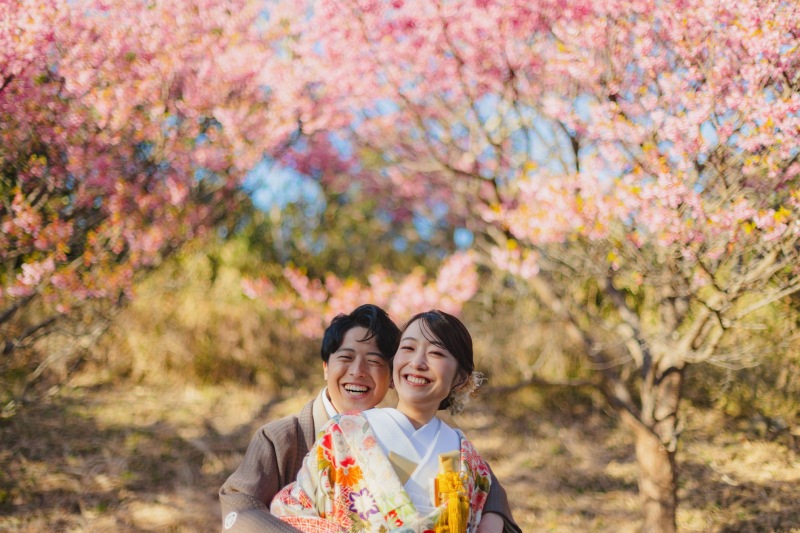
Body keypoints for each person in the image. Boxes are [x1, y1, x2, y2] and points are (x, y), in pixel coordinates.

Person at [270, 310, 513, 533]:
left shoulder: (464, 456)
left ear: (461, 378)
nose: (417, 363)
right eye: (407, 349)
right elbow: (291, 511)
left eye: (436, 353)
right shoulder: (343, 433)